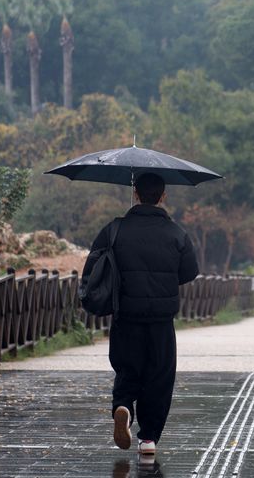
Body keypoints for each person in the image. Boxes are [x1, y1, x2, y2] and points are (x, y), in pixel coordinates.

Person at [82, 172, 199, 455]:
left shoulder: (114, 230)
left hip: (126, 315)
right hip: (161, 319)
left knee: (127, 369)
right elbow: (189, 272)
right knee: (159, 376)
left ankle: (123, 407)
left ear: (135, 194)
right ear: (163, 196)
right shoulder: (176, 233)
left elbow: (95, 264)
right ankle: (148, 439)